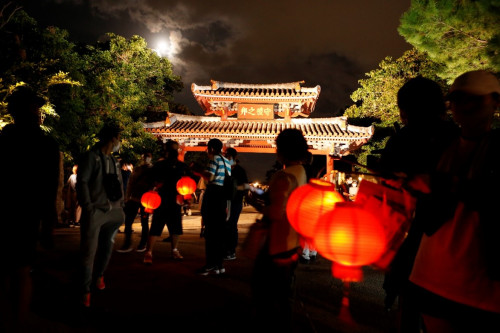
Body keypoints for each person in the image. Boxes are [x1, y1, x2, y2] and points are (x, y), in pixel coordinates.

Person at [408, 70, 500, 333]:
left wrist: (446, 185)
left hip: (481, 284)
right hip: (430, 273)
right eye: (457, 98)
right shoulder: (438, 144)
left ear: (495, 102)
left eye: (474, 99)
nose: (462, 106)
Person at [378, 76, 458, 333]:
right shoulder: (460, 139)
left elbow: (388, 185)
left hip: (415, 240)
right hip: (458, 242)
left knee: (410, 311)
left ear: (404, 110)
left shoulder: (402, 141)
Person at [0, 86, 60, 331]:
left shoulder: (4, 140)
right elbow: (48, 187)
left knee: (9, 269)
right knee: (22, 270)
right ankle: (18, 321)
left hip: (8, 210)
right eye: (35, 107)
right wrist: (48, 222)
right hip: (27, 214)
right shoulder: (45, 144)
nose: (38, 112)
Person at [251, 128, 309, 330]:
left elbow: (275, 213)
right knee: (285, 293)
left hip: (276, 243)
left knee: (266, 292)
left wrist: (258, 205)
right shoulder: (301, 172)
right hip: (293, 241)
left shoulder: (282, 176)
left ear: (281, 151)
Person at [76, 121, 125, 308]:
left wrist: (121, 206)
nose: (119, 142)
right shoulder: (90, 157)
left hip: (113, 213)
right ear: (112, 139)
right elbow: (83, 182)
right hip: (95, 211)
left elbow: (119, 185)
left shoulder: (114, 161)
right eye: (118, 138)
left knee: (106, 248)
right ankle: (84, 289)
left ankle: (99, 275)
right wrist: (88, 206)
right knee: (88, 251)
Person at [143, 140, 190, 265]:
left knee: (175, 227)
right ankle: (149, 252)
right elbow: (151, 180)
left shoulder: (181, 166)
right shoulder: (160, 165)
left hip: (175, 200)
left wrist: (186, 197)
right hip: (161, 199)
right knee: (157, 226)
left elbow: (187, 182)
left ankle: (174, 250)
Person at [197, 138, 232, 275]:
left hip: (213, 195)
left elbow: (210, 177)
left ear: (210, 148)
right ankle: (219, 265)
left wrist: (198, 171)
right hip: (223, 197)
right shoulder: (227, 161)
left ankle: (209, 265)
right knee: (219, 232)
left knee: (210, 232)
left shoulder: (214, 159)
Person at [117, 152, 154, 253]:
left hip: (146, 200)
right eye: (144, 157)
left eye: (147, 157)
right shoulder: (137, 169)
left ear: (150, 159)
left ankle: (143, 243)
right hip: (134, 198)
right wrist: (127, 197)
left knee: (144, 222)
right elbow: (130, 183)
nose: (145, 159)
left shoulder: (153, 170)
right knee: (128, 221)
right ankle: (128, 243)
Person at [223, 147, 249, 261]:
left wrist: (234, 188)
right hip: (223, 201)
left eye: (228, 156)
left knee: (232, 225)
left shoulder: (240, 171)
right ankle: (224, 249)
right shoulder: (223, 169)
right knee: (223, 225)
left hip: (235, 201)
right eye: (225, 156)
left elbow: (245, 186)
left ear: (234, 157)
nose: (226, 158)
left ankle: (231, 250)